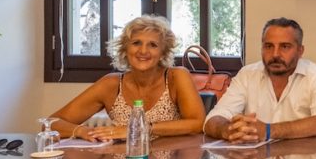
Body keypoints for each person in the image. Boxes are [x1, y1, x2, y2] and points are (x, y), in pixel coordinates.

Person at [47, 15, 206, 141]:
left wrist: (140, 129)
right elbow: (51, 123)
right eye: (136, 43)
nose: (143, 51)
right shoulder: (110, 84)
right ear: (125, 49)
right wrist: (82, 131)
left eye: (153, 45)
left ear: (163, 53)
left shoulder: (177, 76)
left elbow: (198, 123)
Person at [205, 17, 316, 142]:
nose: (275, 54)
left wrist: (268, 131)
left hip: (302, 156)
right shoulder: (247, 75)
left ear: (300, 51)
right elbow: (213, 119)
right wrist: (227, 130)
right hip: (255, 157)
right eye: (268, 46)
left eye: (285, 46)